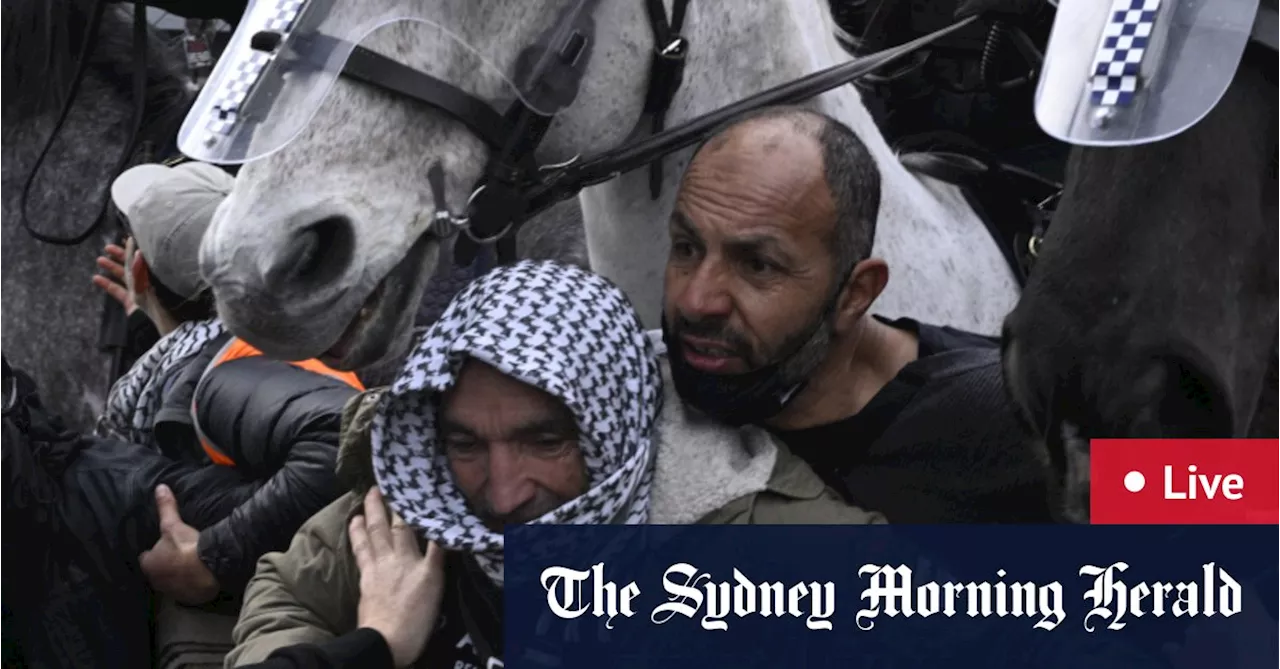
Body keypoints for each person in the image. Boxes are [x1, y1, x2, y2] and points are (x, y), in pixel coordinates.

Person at [225, 260, 885, 669]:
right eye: (467, 444)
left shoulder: (758, 537)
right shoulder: (417, 504)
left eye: (545, 442)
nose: (504, 493)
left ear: (612, 423)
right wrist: (375, 644)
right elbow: (286, 597)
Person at [660, 105, 1053, 523]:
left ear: (854, 295)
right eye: (687, 247)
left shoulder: (1009, 415)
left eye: (758, 265)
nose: (696, 301)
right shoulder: (636, 393)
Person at [84, 159, 366, 605]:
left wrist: (213, 557)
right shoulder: (286, 337)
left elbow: (342, 436)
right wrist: (154, 328)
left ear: (137, 272)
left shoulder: (220, 379)